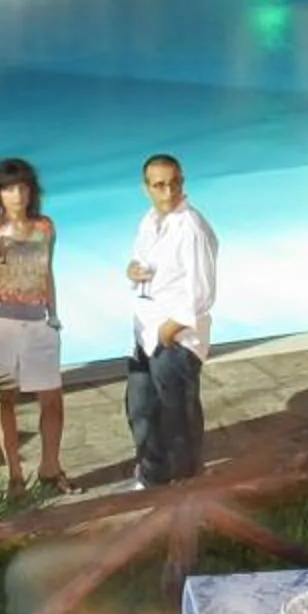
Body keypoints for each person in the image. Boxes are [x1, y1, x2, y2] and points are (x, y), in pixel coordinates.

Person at [0, 158, 64, 494]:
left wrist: (54, 315)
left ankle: (51, 468)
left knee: (51, 397)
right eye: (9, 188)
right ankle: (14, 475)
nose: (17, 194)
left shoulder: (45, 227)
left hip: (38, 321)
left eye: (23, 186)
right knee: (3, 396)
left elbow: (46, 271)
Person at [126, 153, 218, 487]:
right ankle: (152, 477)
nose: (168, 193)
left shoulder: (191, 227)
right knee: (141, 410)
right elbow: (141, 264)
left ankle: (187, 482)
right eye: (159, 186)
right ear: (146, 187)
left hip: (174, 338)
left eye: (174, 183)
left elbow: (202, 291)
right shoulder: (149, 221)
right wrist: (132, 271)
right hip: (145, 330)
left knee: (178, 416)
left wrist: (170, 330)